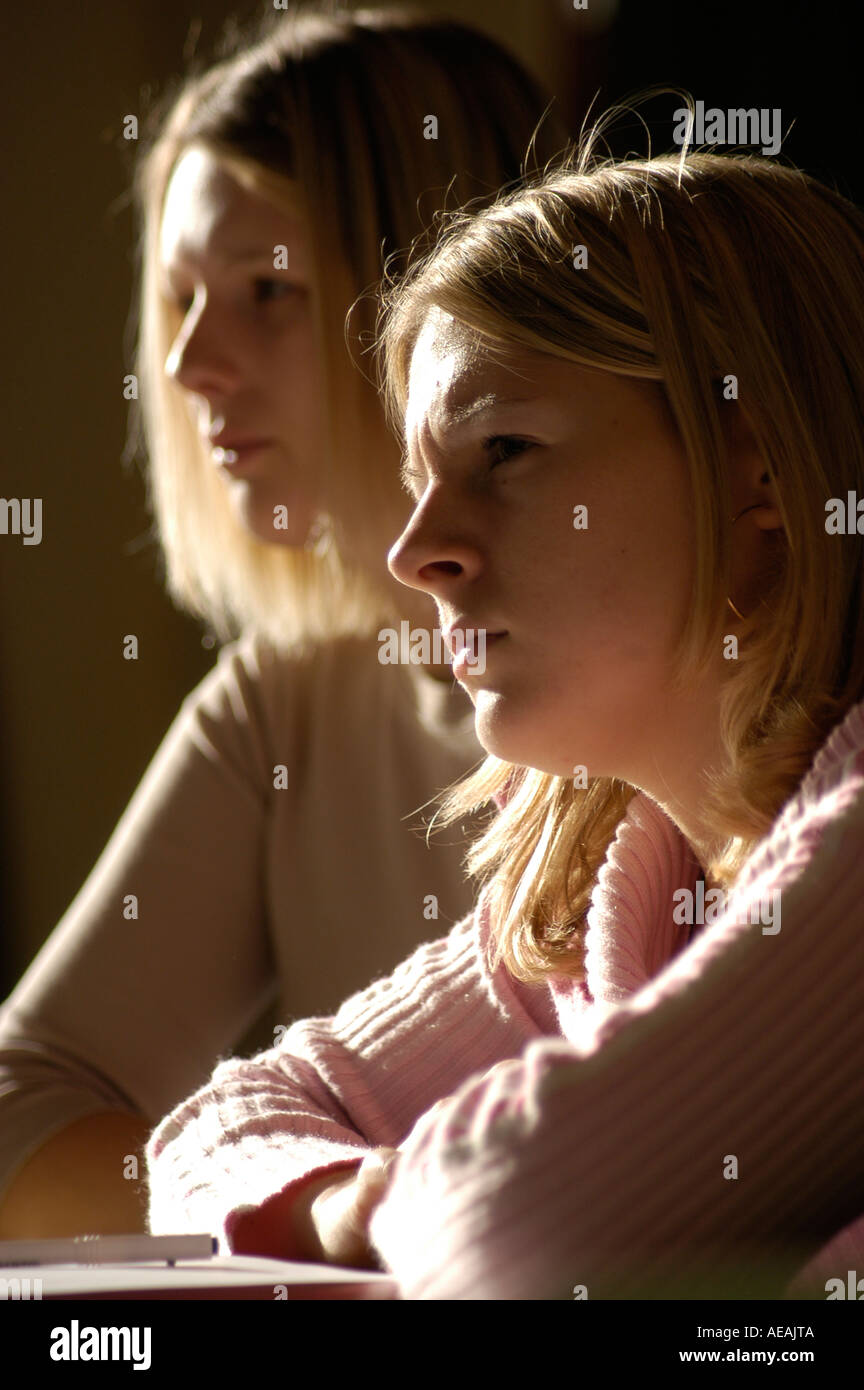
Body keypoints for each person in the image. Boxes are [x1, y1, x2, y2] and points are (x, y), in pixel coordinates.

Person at [145, 127, 864, 1300]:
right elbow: (208, 1131)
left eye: (505, 451)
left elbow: (519, 1224)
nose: (416, 549)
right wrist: (348, 1199)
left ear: (761, 474)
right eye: (423, 475)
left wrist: (402, 1195)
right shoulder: (610, 898)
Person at [0, 7, 569, 1238]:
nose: (192, 364)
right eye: (181, 301)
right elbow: (20, 1104)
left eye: (268, 289)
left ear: (445, 296)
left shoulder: (668, 687)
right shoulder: (282, 704)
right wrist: (327, 1210)